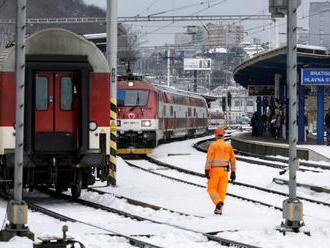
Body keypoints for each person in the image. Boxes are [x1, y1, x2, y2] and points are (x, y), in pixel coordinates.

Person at [204, 128, 236, 215]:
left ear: (215, 135)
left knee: (211, 188)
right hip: (225, 171)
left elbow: (209, 159)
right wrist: (233, 172)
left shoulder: (213, 145)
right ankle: (219, 210)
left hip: (214, 170)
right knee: (222, 190)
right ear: (223, 135)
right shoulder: (228, 146)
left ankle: (218, 202)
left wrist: (207, 170)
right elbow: (233, 160)